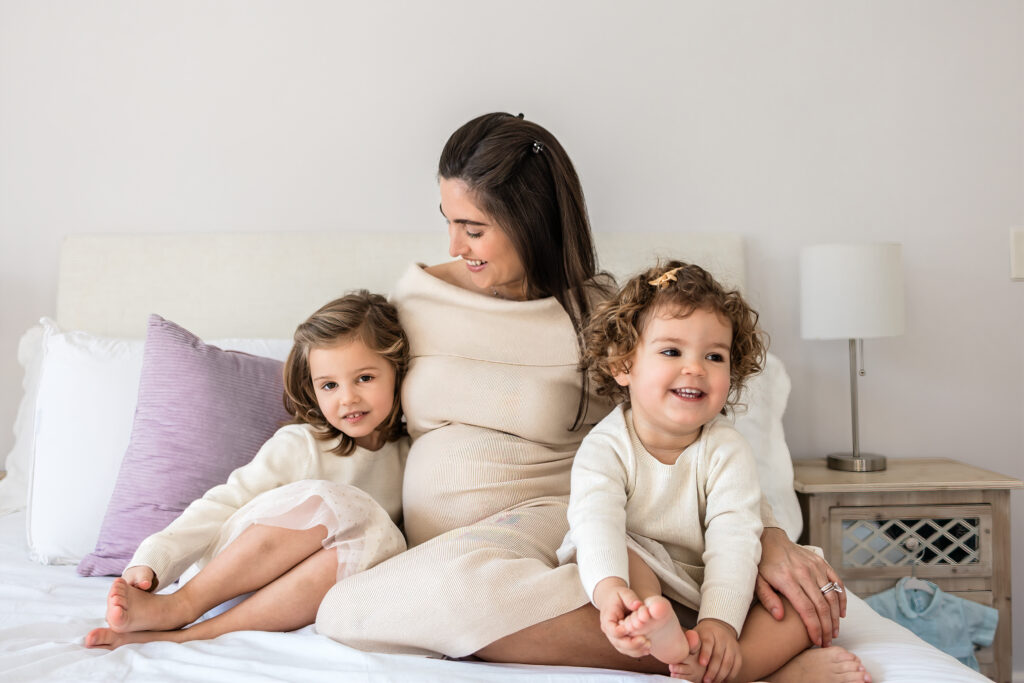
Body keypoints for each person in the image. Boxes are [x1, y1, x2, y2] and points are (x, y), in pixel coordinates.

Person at [313, 112, 866, 681]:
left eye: (474, 228)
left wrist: (769, 536)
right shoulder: (415, 297)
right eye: (448, 221)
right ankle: (734, 664)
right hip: (476, 557)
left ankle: (707, 650)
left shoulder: (600, 314)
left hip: (574, 532)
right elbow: (348, 404)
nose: (456, 245)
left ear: (529, 222)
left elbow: (679, 433)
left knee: (804, 588)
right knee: (355, 608)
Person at [84, 291, 410, 649]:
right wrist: (154, 558)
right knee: (341, 502)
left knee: (380, 542)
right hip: (226, 579)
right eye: (329, 385)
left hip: (287, 599)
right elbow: (221, 505)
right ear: (312, 390)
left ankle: (192, 636)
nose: (347, 398)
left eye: (364, 378)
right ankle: (178, 607)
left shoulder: (411, 455)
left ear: (397, 371)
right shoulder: (300, 445)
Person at [559, 261, 830, 683]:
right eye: (672, 351)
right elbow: (595, 522)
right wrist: (611, 591)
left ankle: (734, 665)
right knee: (615, 551)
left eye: (714, 356)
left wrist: (720, 621)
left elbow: (735, 539)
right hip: (646, 582)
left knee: (810, 599)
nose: (695, 368)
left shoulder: (726, 449)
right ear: (623, 365)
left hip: (719, 585)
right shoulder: (606, 445)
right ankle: (655, 627)